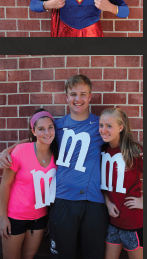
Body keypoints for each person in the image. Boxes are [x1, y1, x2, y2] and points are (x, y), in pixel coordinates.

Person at [0, 74, 108, 259]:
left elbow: (120, 136)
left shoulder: (100, 125)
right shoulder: (57, 126)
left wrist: (138, 150)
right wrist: (8, 150)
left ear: (90, 97)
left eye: (83, 94)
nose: (78, 99)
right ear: (66, 97)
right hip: (62, 200)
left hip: (93, 201)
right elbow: (38, 138)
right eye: (73, 94)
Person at [0, 109, 58, 259]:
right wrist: (2, 217)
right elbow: (5, 184)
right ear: (33, 131)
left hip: (40, 218)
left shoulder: (57, 154)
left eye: (50, 127)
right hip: (14, 217)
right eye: (41, 129)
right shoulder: (20, 151)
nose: (47, 132)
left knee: (29, 256)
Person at [99, 107, 143, 259]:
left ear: (121, 127)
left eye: (109, 126)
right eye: (101, 125)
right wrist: (107, 202)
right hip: (112, 222)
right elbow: (102, 185)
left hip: (133, 223)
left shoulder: (134, 151)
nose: (103, 130)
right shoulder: (101, 150)